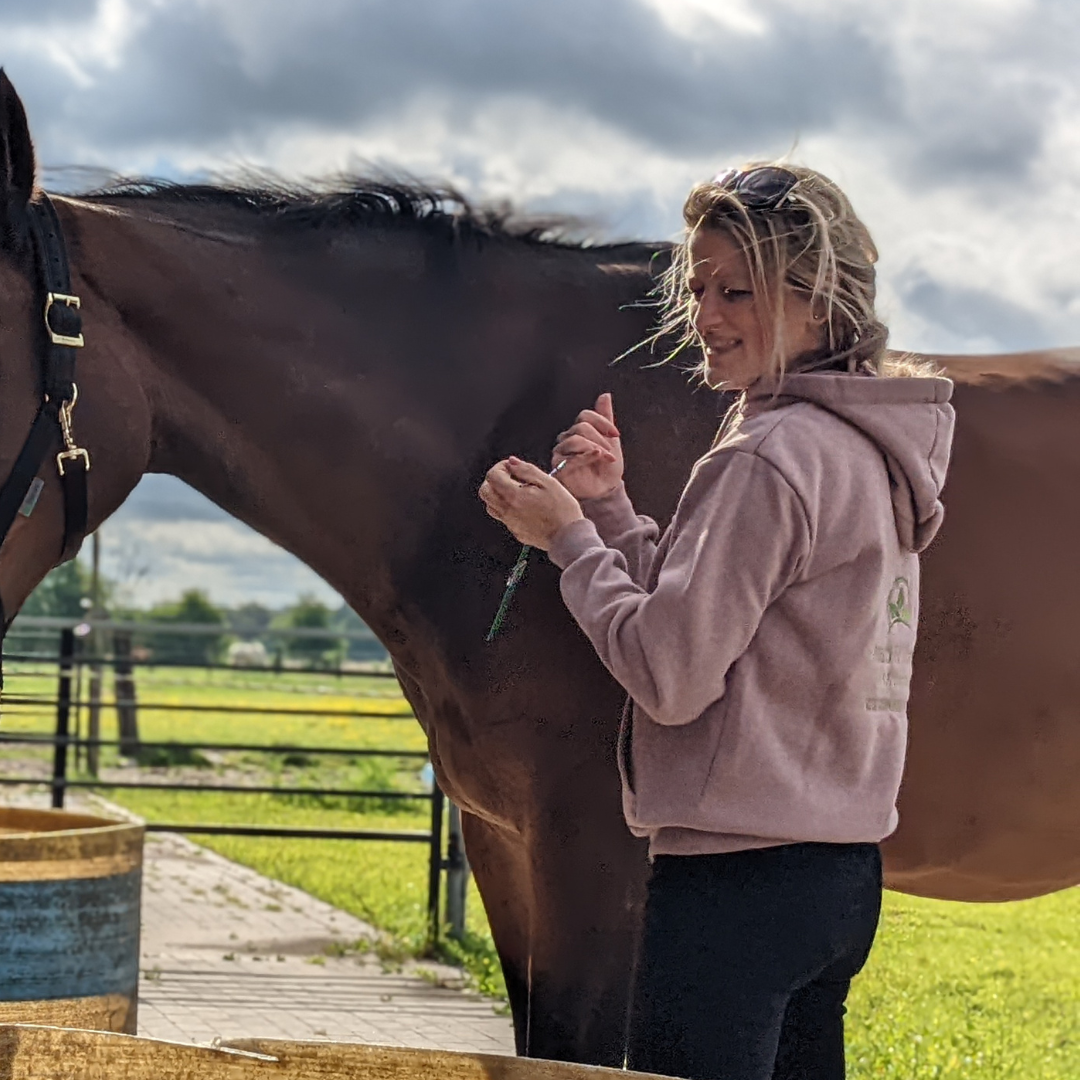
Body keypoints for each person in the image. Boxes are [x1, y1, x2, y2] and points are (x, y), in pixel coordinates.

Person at [479, 163, 955, 1080]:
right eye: (697, 285)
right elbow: (728, 623)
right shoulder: (866, 450)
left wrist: (569, 541)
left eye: (739, 289)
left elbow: (671, 674)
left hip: (736, 888)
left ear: (822, 302)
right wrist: (614, 514)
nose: (706, 312)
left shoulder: (768, 457)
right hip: (838, 881)